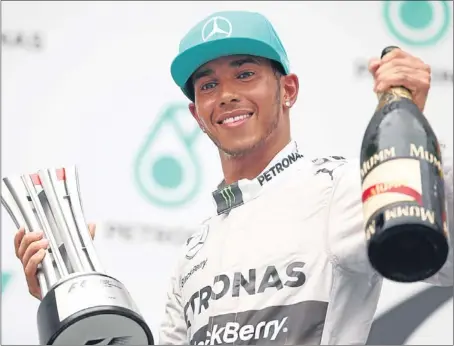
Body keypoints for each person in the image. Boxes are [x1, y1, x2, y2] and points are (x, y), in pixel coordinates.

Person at [14, 10, 453, 345]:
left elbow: (445, 265)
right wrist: (71, 300)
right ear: (197, 114)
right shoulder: (195, 251)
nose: (226, 95)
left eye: (245, 74)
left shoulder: (339, 188)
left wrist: (416, 131)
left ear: (288, 90)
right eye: (207, 86)